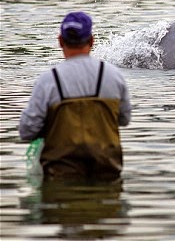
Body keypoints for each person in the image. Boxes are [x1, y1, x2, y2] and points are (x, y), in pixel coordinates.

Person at [19, 12, 132, 178]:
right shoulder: (113, 76)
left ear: (60, 41)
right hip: (107, 173)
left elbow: (26, 131)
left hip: (60, 175)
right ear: (92, 41)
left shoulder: (48, 80)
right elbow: (124, 119)